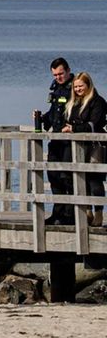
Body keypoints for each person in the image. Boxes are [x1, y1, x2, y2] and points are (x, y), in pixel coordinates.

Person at [61, 70, 107, 227]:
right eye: (75, 87)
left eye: (80, 86)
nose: (78, 89)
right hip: (77, 146)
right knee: (80, 179)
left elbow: (94, 124)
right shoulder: (74, 102)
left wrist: (73, 128)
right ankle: (87, 212)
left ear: (88, 85)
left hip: (95, 146)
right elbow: (67, 120)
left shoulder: (98, 101)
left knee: (95, 180)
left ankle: (99, 212)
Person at [39, 58, 75, 225]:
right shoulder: (55, 88)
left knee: (67, 177)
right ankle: (57, 213)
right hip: (56, 139)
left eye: (61, 73)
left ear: (68, 71)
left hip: (70, 141)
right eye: (55, 75)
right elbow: (54, 112)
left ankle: (70, 215)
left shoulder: (76, 87)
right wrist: (42, 118)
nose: (58, 77)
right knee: (53, 176)